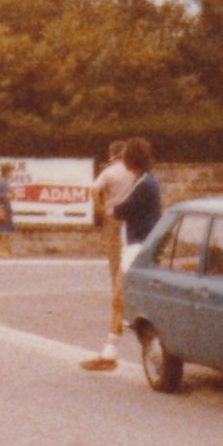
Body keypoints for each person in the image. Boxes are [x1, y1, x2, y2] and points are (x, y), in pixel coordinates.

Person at [83, 141, 136, 368]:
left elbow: (94, 189)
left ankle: (118, 295)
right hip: (133, 218)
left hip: (114, 217)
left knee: (115, 260)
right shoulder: (134, 172)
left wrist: (100, 208)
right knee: (131, 256)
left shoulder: (110, 172)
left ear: (111, 154)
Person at [0, 162, 17, 258]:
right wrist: (10, 195)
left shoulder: (2, 181)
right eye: (11, 172)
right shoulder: (4, 182)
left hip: (0, 207)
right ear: (7, 172)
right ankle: (3, 251)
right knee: (4, 231)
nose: (12, 174)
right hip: (3, 208)